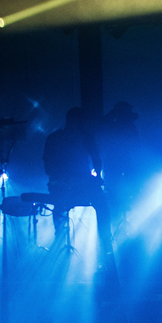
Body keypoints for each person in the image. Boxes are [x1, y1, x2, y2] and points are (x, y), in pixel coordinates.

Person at [43, 107, 112, 255]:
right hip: (65, 183)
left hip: (75, 182)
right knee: (99, 204)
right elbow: (48, 167)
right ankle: (105, 244)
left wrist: (96, 177)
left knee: (101, 204)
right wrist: (94, 177)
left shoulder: (58, 137)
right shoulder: (62, 137)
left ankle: (105, 242)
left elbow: (96, 158)